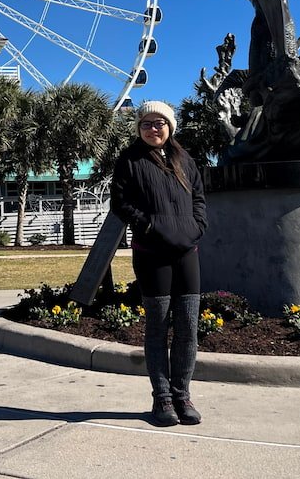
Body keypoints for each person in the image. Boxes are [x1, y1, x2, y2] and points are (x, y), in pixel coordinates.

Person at [110, 100, 207, 427]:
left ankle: (183, 395)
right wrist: (148, 226)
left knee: (188, 328)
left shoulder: (185, 160)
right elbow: (120, 203)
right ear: (139, 128)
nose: (155, 128)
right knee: (158, 326)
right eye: (148, 123)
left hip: (186, 253)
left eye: (160, 123)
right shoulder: (130, 160)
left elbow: (199, 200)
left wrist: (197, 227)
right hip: (151, 254)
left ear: (170, 127)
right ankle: (162, 397)